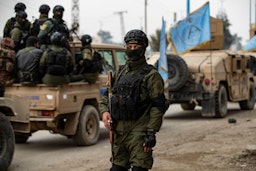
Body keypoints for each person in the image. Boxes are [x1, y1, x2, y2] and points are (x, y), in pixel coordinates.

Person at [99, 29, 169, 171]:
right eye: (129, 46)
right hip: (119, 132)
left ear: (143, 48)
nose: (132, 49)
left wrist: (151, 132)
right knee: (116, 168)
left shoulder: (151, 75)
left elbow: (159, 105)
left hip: (139, 131)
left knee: (139, 169)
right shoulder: (120, 72)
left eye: (136, 47)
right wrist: (104, 112)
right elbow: (108, 96)